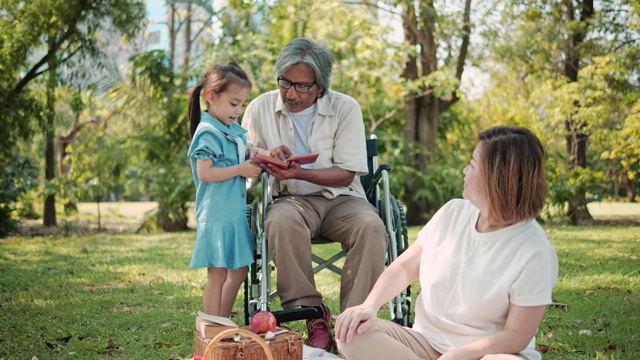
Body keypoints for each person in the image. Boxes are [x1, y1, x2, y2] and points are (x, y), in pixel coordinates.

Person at [335, 126, 559, 360]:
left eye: (472, 165)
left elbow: (517, 335)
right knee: (351, 334)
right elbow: (404, 267)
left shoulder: (535, 251)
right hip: (422, 344)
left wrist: (460, 354)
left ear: (497, 179)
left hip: (486, 354)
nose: (464, 171)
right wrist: (369, 306)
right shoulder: (452, 213)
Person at [241, 38, 388, 352]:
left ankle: (354, 319)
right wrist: (266, 154)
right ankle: (313, 315)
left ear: (321, 86)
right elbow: (242, 152)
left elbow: (347, 172)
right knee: (280, 222)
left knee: (372, 227)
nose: (291, 93)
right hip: (289, 200)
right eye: (285, 83)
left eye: (302, 86)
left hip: (341, 198)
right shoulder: (259, 107)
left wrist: (300, 172)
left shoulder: (345, 107)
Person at [187, 62, 262, 317]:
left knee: (239, 271)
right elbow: (205, 173)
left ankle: (221, 322)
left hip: (234, 216)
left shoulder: (231, 130)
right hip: (217, 216)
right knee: (217, 274)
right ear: (211, 96)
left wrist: (270, 155)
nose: (239, 110)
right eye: (234, 103)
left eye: (243, 104)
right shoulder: (208, 132)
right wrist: (241, 170)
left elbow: (248, 148)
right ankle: (211, 331)